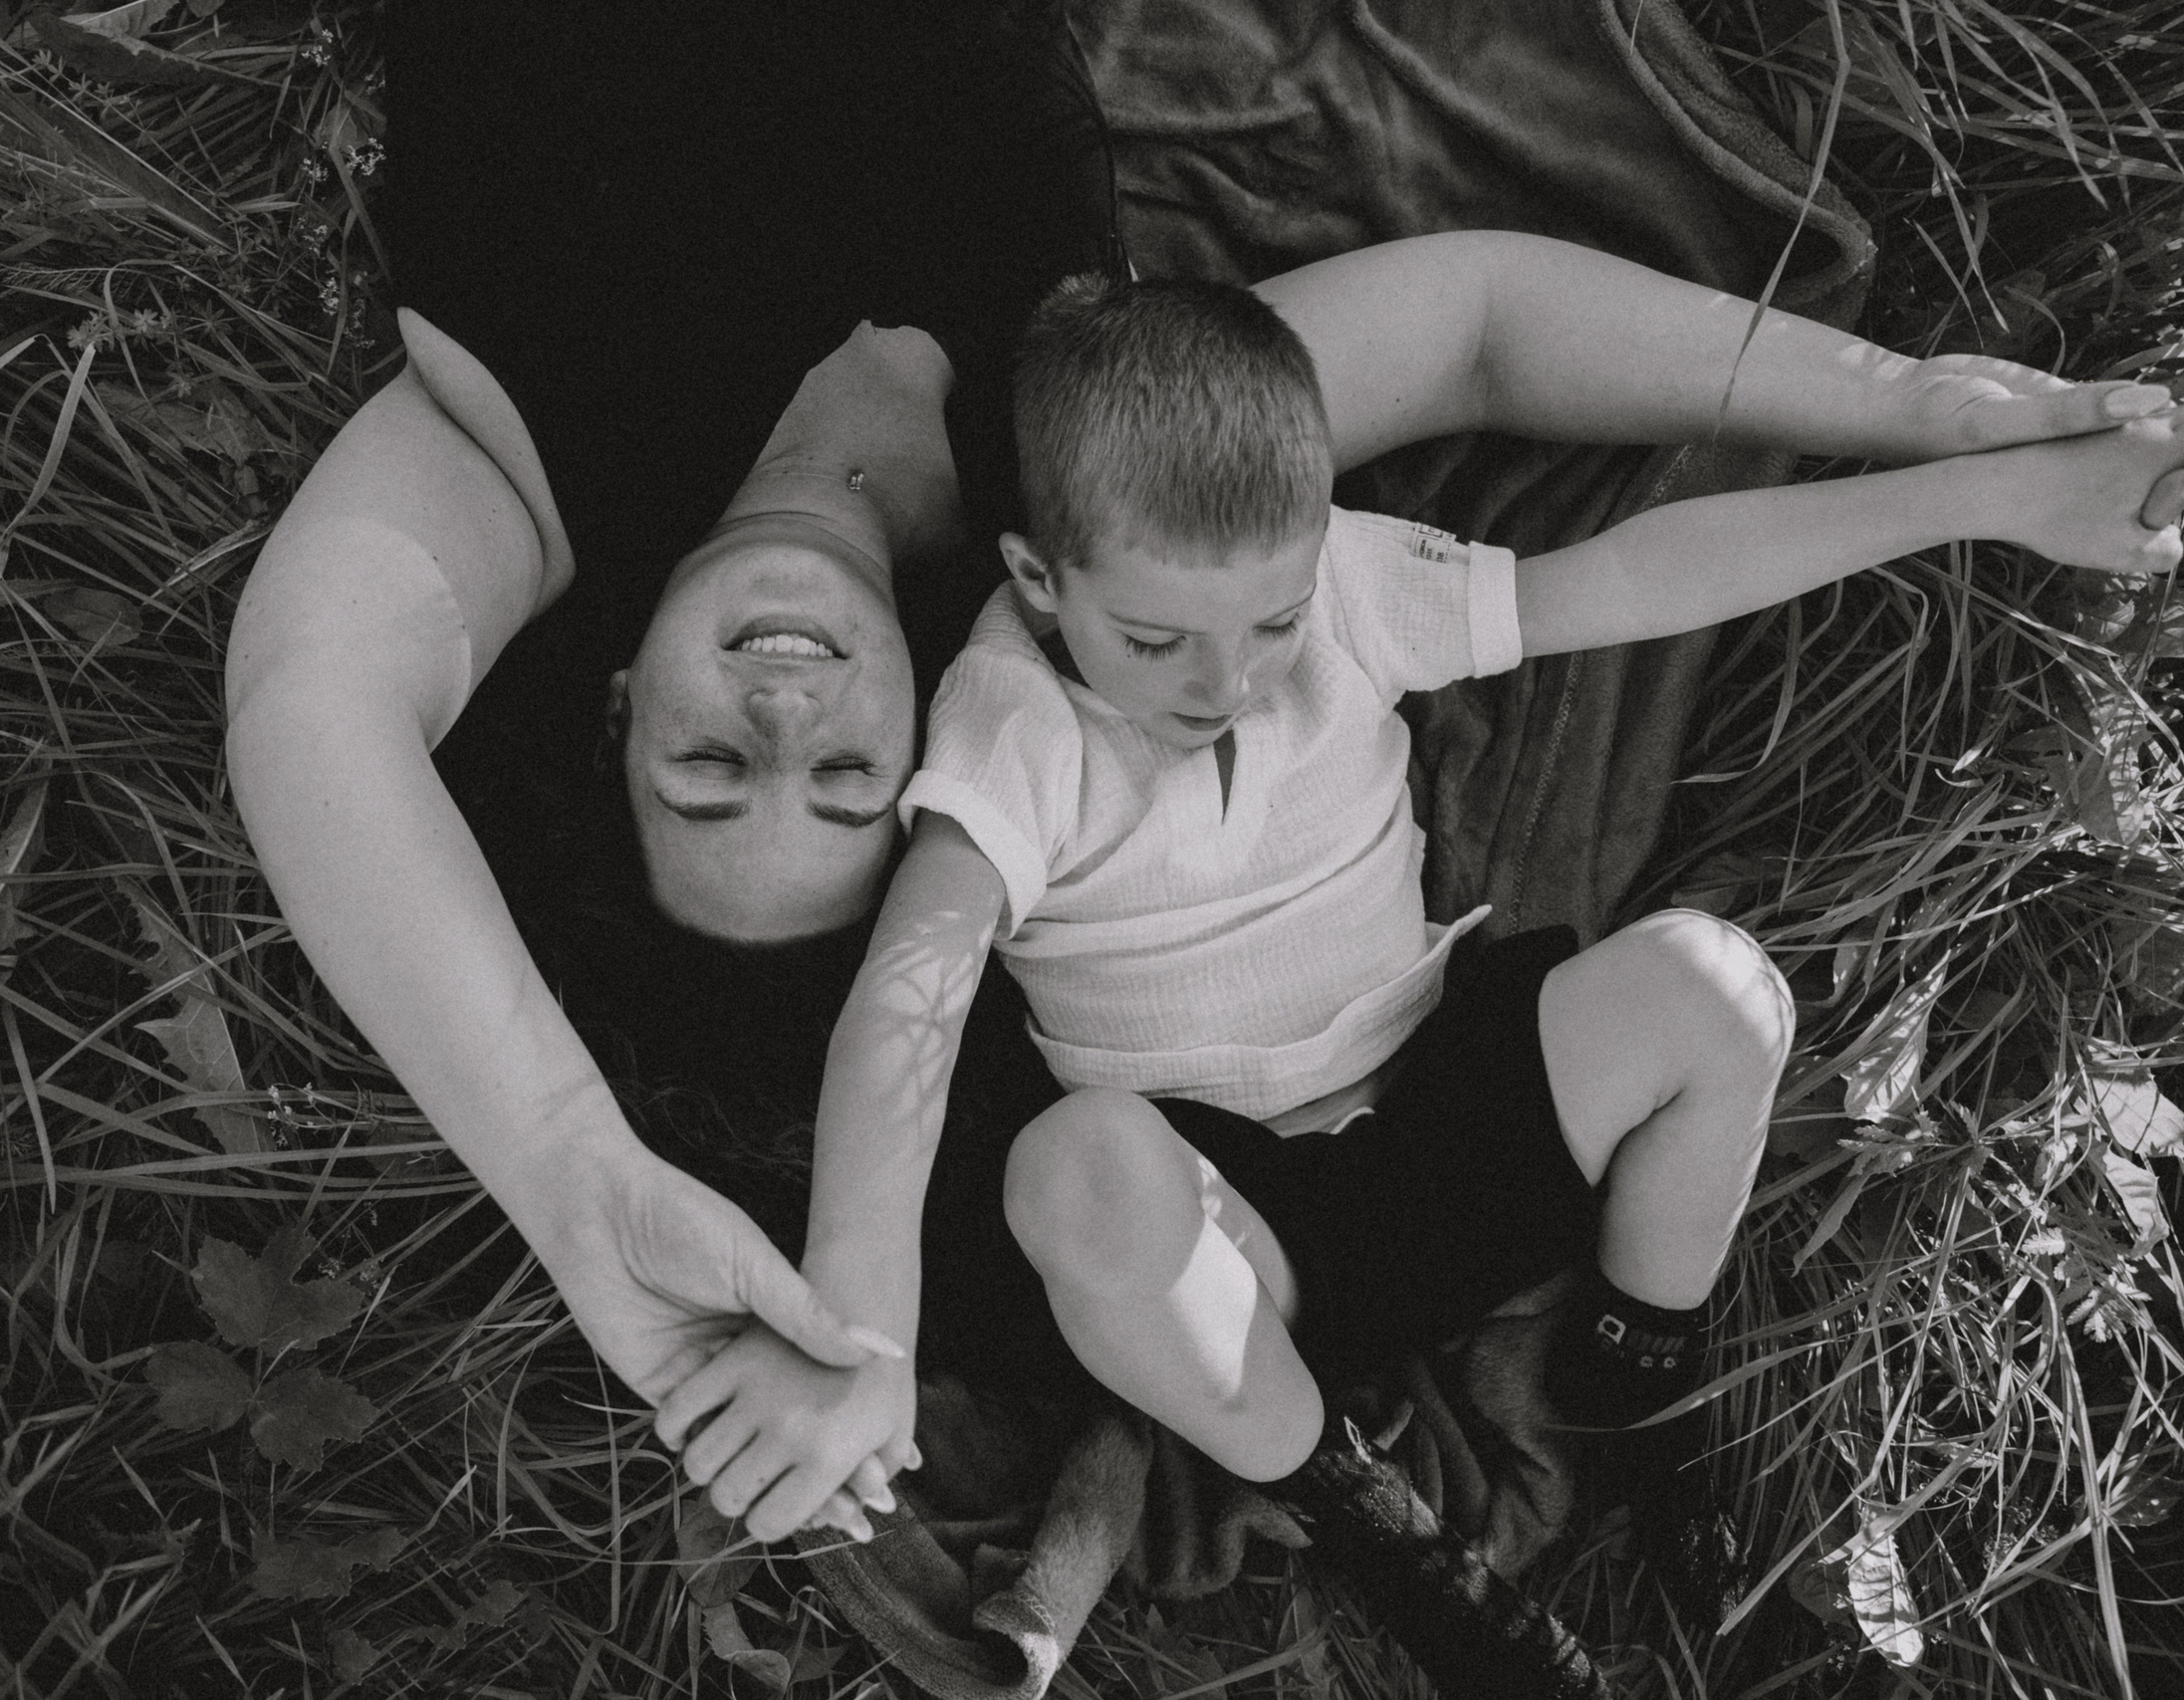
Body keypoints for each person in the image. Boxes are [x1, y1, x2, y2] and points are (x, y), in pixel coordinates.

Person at [225, 0, 2184, 1545]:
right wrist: (1934, 424)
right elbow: (1484, 338)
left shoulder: (546, 447)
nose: (787, 716)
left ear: (609, 699)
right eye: (837, 789)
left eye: (702, 767)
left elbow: (312, 702)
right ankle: (1433, 1473)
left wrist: (583, 1194)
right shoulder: (1074, 494)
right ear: (938, 733)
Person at [647, 276, 2184, 1549]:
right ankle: (1363, 1515)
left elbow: (1637, 578)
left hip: (1451, 1117)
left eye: (1267, 618)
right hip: (1238, 1243)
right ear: (1037, 581)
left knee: (1715, 989)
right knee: (1076, 1169)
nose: (1228, 681)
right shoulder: (1011, 719)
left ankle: (1642, 1371)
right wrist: (866, 1326)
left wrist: (1981, 494)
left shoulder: (1347, 591)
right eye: (1156, 637)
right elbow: (912, 982)